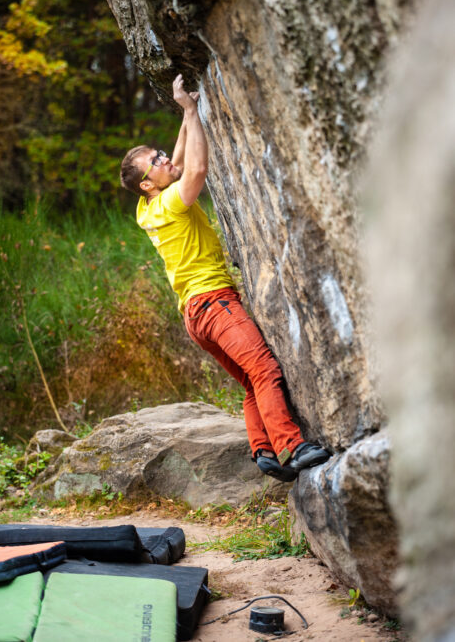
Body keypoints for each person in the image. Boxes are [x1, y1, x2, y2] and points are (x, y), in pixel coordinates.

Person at [119, 74, 330, 482]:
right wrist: (194, 111)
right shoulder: (169, 206)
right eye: (156, 162)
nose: (165, 160)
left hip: (196, 315)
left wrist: (184, 113)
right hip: (214, 304)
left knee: (253, 382)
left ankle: (263, 451)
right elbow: (195, 170)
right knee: (265, 368)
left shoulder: (147, 209)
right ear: (147, 184)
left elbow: (178, 161)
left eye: (160, 153)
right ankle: (292, 446)